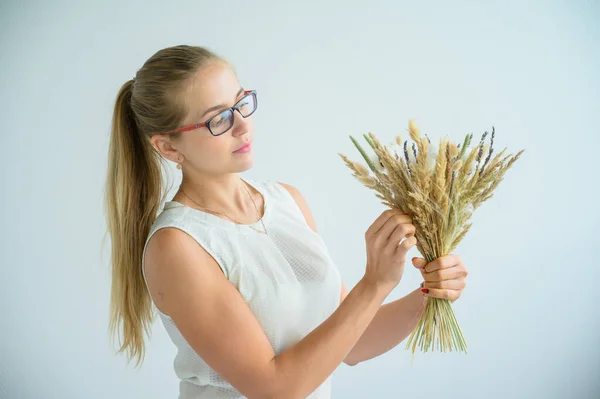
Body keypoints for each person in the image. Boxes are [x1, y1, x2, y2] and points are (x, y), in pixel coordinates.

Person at [104, 44, 469, 399]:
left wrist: (429, 291)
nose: (243, 126)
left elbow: (353, 343)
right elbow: (274, 389)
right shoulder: (178, 246)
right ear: (168, 148)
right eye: (219, 118)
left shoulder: (287, 201)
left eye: (241, 103)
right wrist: (374, 284)